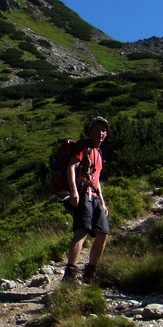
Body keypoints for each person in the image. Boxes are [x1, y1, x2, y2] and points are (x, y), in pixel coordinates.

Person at [62, 116, 110, 282]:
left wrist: (103, 202)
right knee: (81, 231)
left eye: (104, 130)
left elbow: (97, 180)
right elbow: (71, 167)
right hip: (83, 193)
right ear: (90, 131)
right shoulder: (84, 146)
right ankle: (70, 273)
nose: (101, 133)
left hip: (95, 196)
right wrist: (74, 192)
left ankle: (90, 273)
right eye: (97, 129)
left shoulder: (98, 152)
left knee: (103, 233)